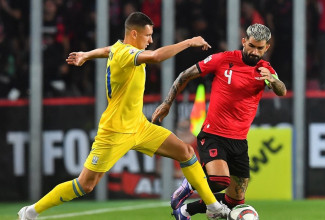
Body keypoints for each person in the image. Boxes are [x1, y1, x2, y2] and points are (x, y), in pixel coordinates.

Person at [17, 12, 230, 220]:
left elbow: (108, 49)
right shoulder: (126, 54)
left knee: (185, 151)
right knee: (85, 184)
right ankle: (31, 212)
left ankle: (212, 206)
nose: (151, 40)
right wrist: (189, 42)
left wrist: (87, 54)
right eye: (148, 36)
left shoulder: (119, 48)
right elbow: (156, 56)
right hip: (115, 131)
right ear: (134, 34)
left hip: (139, 126)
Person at [152, 23, 287, 220]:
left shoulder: (265, 69)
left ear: (267, 48)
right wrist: (166, 103)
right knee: (219, 180)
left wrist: (274, 81)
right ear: (244, 42)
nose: (254, 51)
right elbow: (185, 75)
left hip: (239, 141)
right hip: (213, 134)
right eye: (251, 45)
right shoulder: (224, 59)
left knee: (235, 200)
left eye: (260, 48)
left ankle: (186, 211)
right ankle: (188, 184)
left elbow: (281, 90)